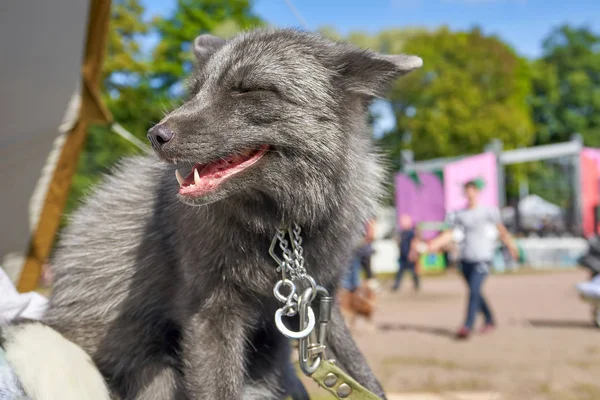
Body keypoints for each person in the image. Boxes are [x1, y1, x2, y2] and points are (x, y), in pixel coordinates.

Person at [428, 180, 518, 339]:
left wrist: (511, 246)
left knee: (474, 291)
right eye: (467, 190)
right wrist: (435, 243)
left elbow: (501, 230)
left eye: (472, 190)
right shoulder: (460, 214)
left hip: (483, 257)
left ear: (477, 192)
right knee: (475, 292)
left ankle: (467, 326)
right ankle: (490, 319)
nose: (469, 193)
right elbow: (450, 233)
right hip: (465, 259)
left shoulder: (488, 212)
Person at [393, 214, 420, 292]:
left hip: (409, 254)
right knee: (400, 271)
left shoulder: (411, 232)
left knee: (413, 271)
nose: (402, 223)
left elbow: (414, 243)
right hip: (403, 255)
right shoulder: (402, 232)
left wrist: (412, 253)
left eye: (404, 222)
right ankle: (396, 285)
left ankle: (417, 284)